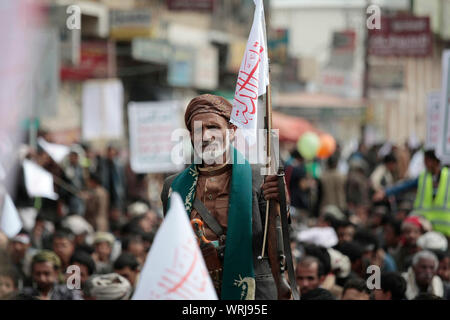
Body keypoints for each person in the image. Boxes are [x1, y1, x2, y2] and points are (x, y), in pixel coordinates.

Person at [160, 94, 285, 300]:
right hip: (195, 292)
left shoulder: (259, 177)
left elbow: (278, 245)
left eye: (213, 127)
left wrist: (282, 204)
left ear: (232, 131)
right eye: (198, 130)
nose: (206, 136)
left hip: (252, 292)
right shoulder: (173, 187)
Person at [374, 150, 450, 237]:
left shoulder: (448, 176)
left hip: (445, 230)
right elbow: (404, 186)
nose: (424, 164)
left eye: (426, 160)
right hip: (424, 226)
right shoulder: (423, 177)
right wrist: (385, 192)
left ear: (434, 160)